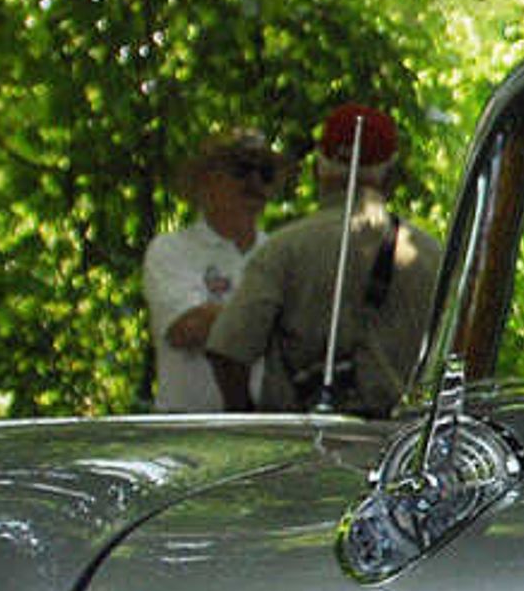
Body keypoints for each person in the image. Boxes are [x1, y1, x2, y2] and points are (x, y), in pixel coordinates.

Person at [206, 103, 443, 416]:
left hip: (301, 445)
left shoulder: (283, 250)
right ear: (391, 177)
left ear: (318, 169)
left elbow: (228, 350)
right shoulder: (433, 257)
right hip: (399, 445)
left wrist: (246, 418)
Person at [141, 129, 281, 411]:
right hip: (188, 431)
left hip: (264, 432)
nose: (254, 182)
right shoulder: (172, 250)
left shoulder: (280, 252)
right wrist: (275, 321)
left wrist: (224, 318)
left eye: (265, 172)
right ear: (206, 180)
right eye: (241, 169)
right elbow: (187, 329)